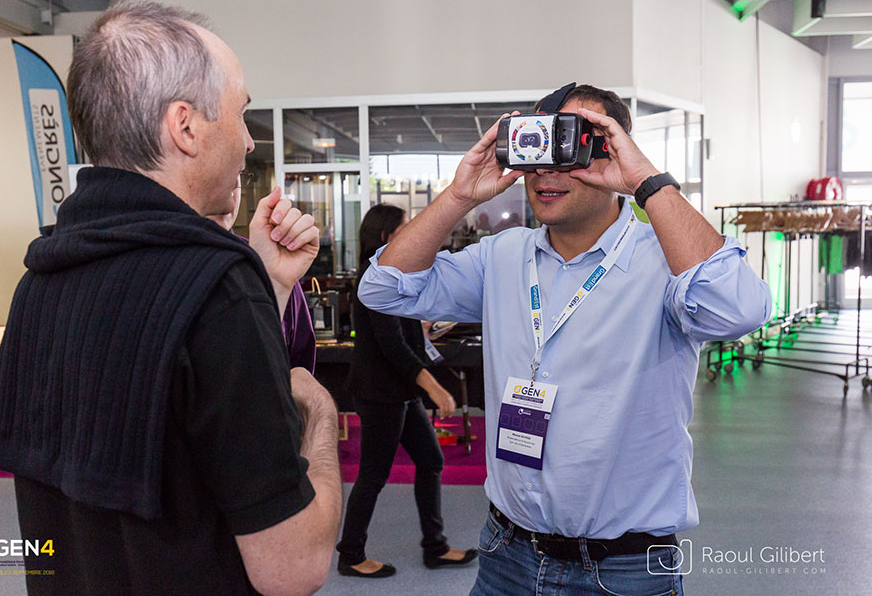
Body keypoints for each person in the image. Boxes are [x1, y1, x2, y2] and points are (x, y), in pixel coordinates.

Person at [0, 2, 341, 596]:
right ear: (185, 126)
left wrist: (266, 289)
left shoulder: (41, 279)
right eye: (243, 114)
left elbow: (173, 409)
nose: (249, 141)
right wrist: (320, 416)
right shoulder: (215, 286)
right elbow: (292, 568)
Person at [358, 84, 772, 595]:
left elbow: (738, 309)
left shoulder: (664, 263)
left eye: (573, 143)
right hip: (505, 553)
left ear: (615, 151)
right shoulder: (501, 257)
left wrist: (646, 181)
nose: (549, 169)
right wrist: (459, 196)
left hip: (623, 570)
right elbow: (383, 289)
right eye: (537, 145)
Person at [336, 204, 477, 578]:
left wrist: (429, 327)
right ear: (386, 237)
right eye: (404, 229)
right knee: (372, 475)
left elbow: (407, 334)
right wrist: (435, 389)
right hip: (380, 392)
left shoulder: (400, 274)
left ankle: (436, 547)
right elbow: (392, 346)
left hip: (400, 391)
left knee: (431, 461)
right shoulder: (375, 278)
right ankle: (350, 554)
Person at [207, 176, 317, 372]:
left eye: (237, 173)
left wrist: (276, 285)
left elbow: (299, 368)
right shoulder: (151, 266)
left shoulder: (269, 261)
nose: (230, 190)